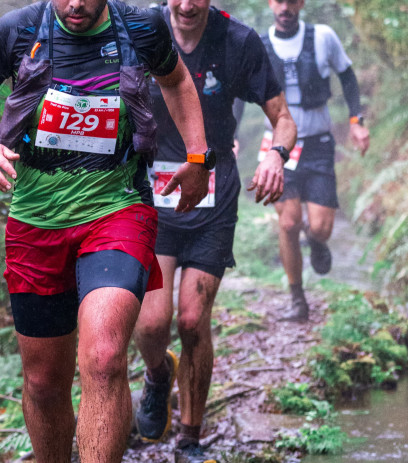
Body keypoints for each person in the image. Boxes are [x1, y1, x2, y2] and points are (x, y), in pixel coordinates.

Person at [0, 1, 211, 461]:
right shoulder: (18, 31)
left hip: (118, 208)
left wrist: (198, 157)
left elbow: (177, 80)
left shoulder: (141, 28)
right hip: (36, 220)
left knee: (104, 359)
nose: (76, 5)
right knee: (45, 384)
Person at [132, 0, 297, 461]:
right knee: (150, 322)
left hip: (213, 192)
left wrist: (274, 156)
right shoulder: (142, 28)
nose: (187, 5)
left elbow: (283, 118)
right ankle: (157, 374)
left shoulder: (238, 41)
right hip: (154, 193)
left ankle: (189, 436)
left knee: (191, 319)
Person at [263, 0, 370, 321]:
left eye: (291, 1)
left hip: (319, 144)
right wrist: (233, 137)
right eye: (279, 1)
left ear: (301, 4)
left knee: (321, 227)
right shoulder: (260, 45)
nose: (285, 8)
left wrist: (356, 121)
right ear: (271, 3)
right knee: (289, 222)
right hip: (280, 148)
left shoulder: (322, 37)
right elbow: (242, 94)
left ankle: (317, 242)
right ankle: (297, 299)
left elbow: (348, 77)